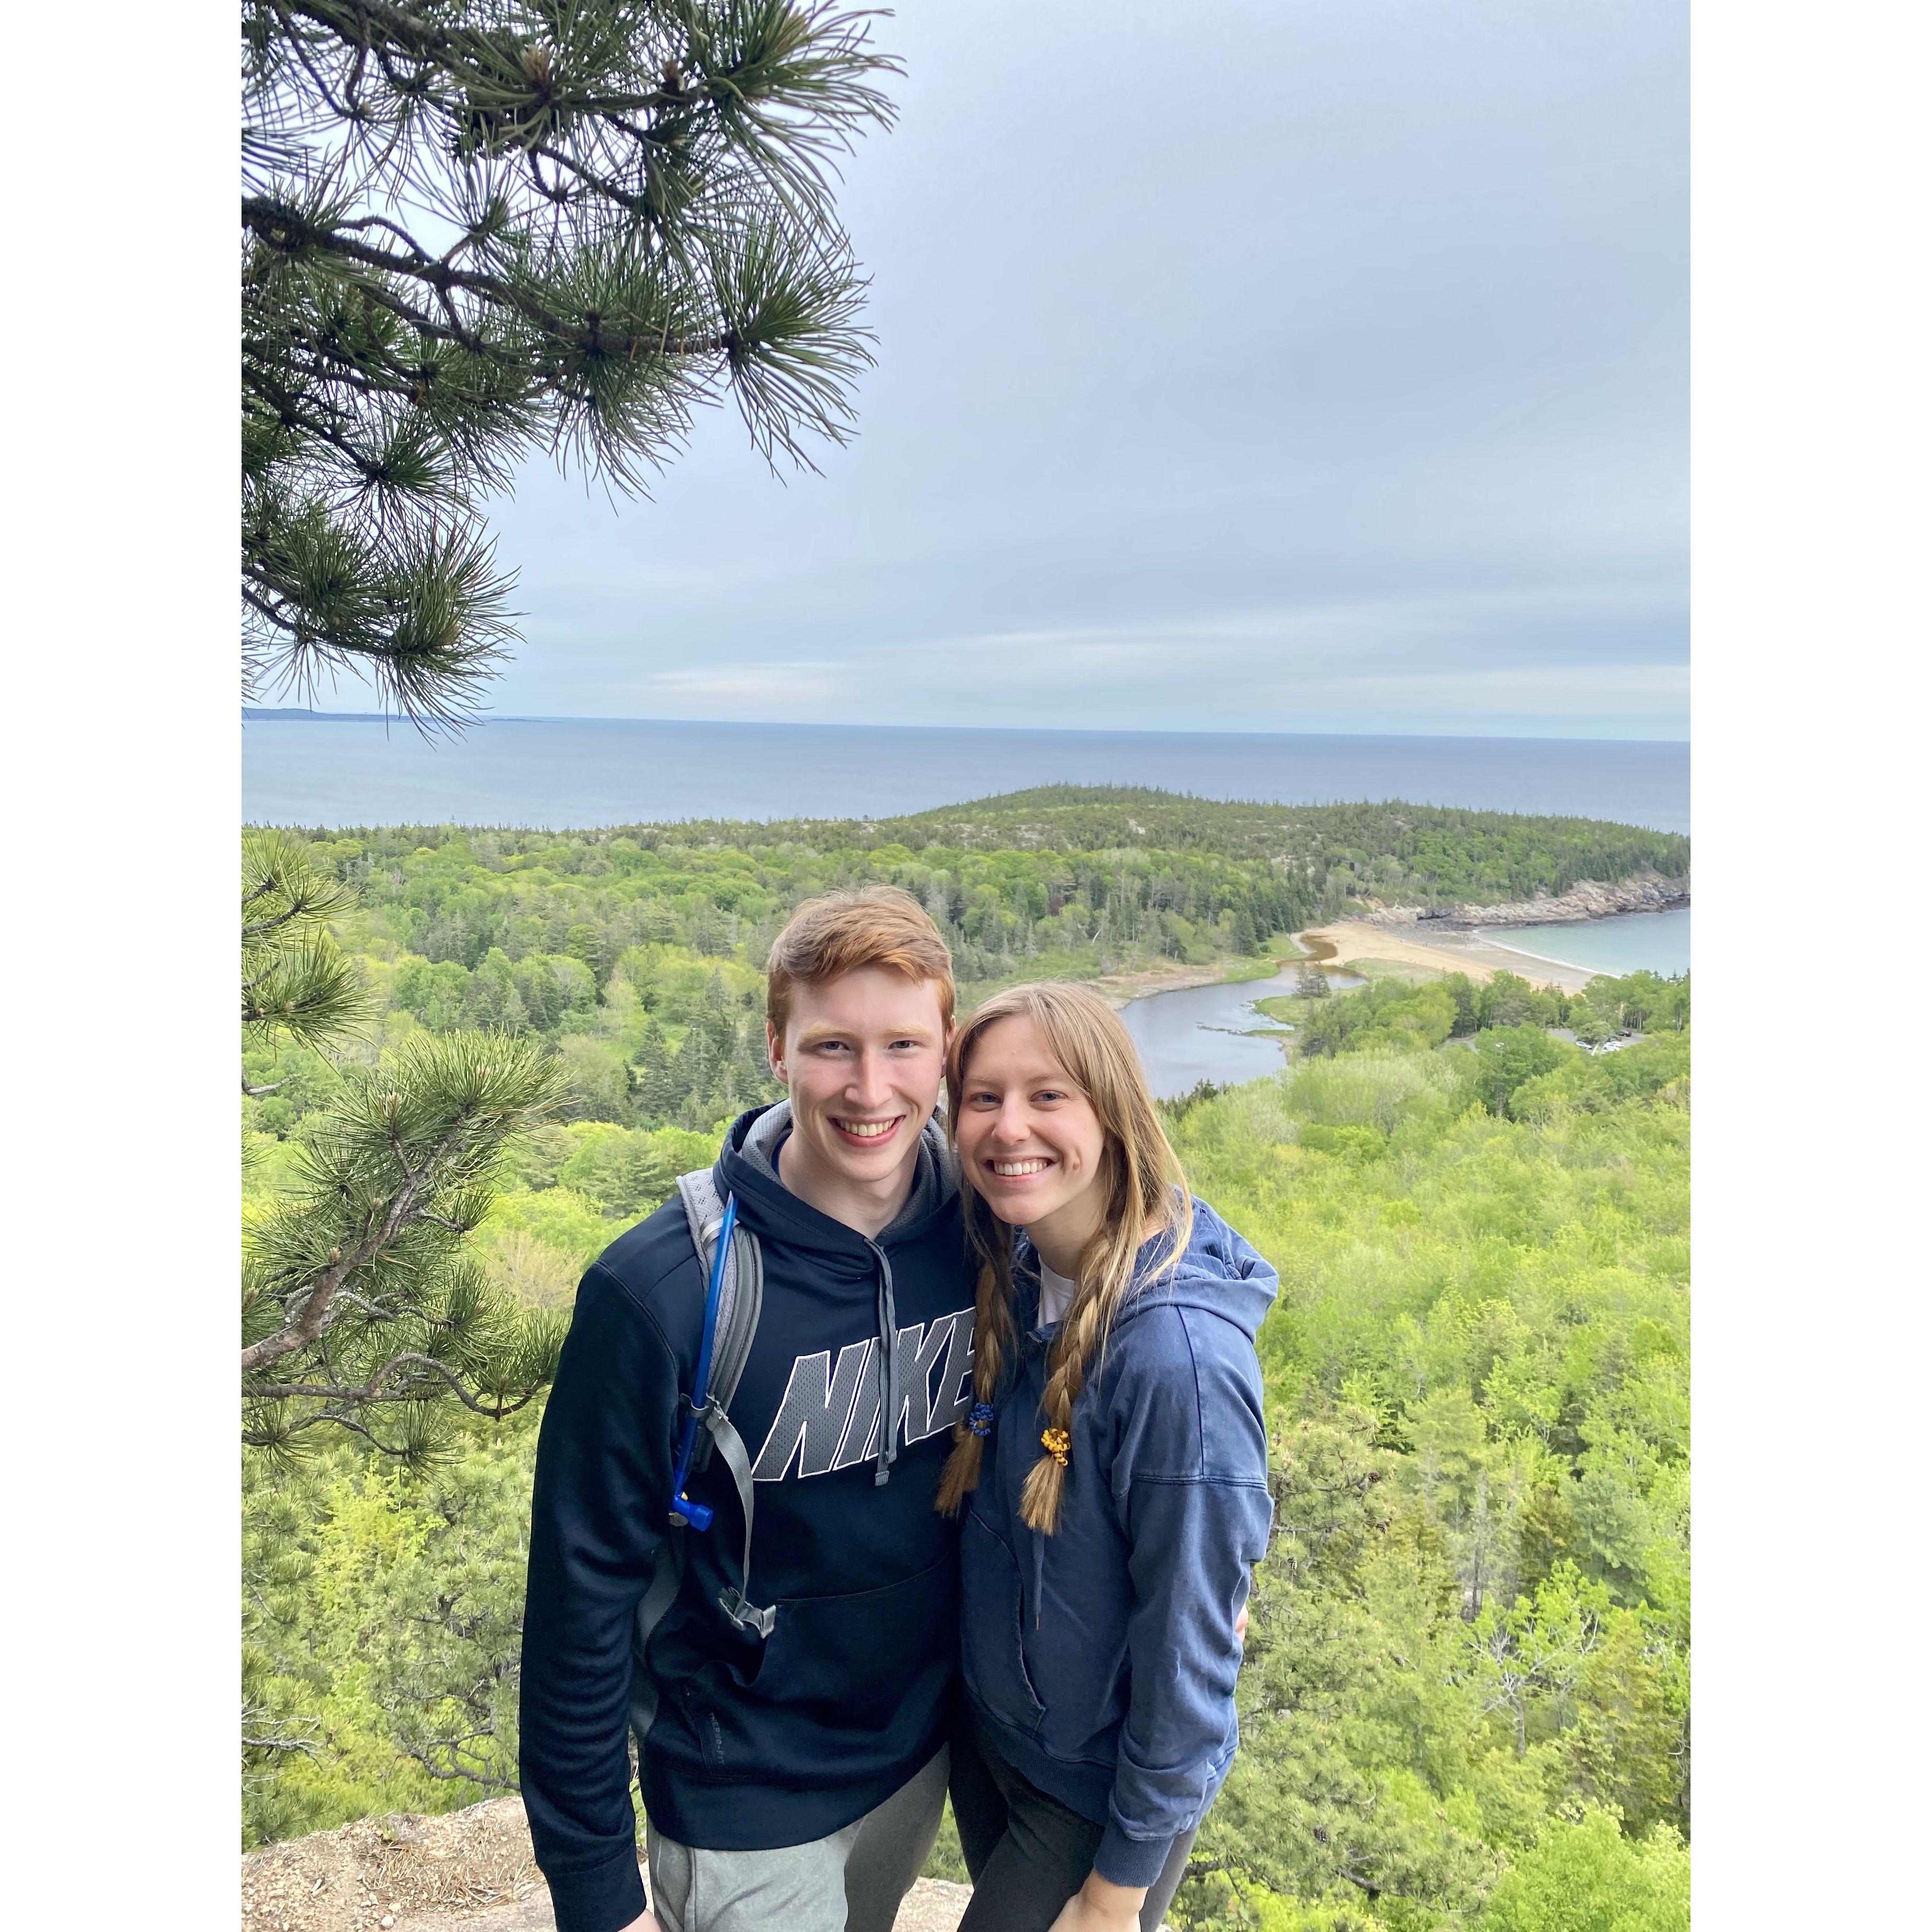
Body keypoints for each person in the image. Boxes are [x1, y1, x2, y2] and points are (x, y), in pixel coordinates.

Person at [519, 888, 979, 1932]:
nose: (871, 1088)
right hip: (742, 1790)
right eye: (832, 1046)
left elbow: (1147, 1260)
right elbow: (577, 1603)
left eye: (904, 1044)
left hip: (916, 1755)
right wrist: (597, 1892)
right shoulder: (661, 1292)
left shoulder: (993, 1226)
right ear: (777, 1047)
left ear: (947, 1047)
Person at [935, 982, 1276, 1932]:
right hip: (1002, 1741)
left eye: (1049, 1096)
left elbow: (1189, 1651)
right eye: (983, 1098)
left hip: (1094, 1795)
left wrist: (1116, 1895)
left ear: (1115, 1114)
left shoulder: (1179, 1364)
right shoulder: (1017, 1265)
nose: (1010, 1127)